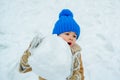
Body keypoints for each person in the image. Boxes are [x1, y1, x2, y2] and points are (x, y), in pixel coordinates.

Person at [19, 9, 84, 80]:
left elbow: (80, 70)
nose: (71, 38)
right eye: (67, 34)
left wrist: (77, 77)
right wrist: (30, 52)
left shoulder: (76, 53)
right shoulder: (47, 48)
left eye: (74, 36)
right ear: (57, 35)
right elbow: (24, 68)